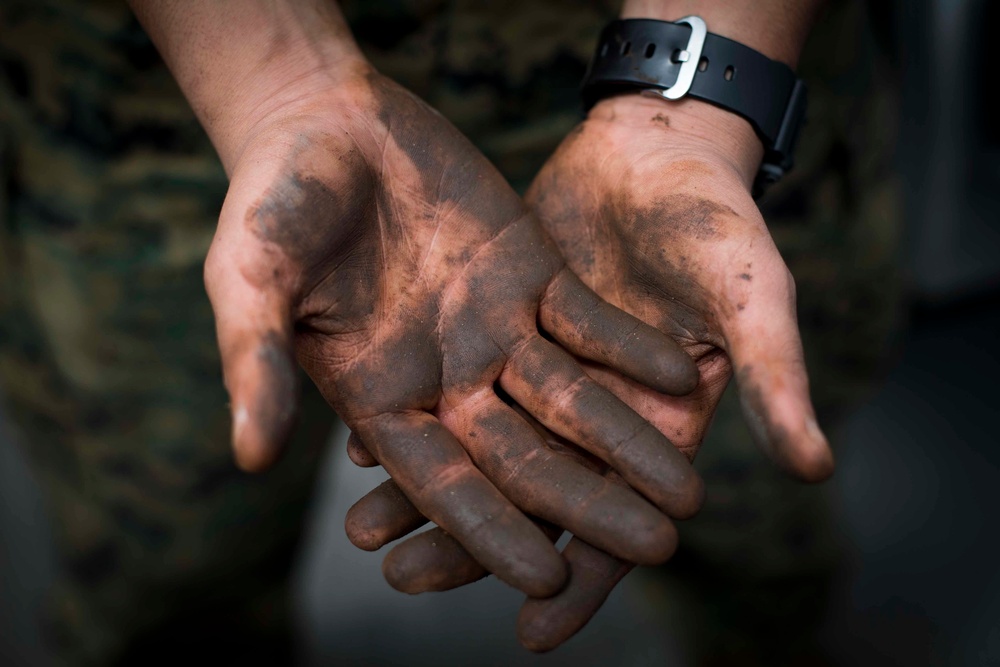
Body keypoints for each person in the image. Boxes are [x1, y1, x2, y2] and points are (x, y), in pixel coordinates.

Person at [0, 0, 901, 664]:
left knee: (739, 513)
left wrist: (692, 103)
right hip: (163, 95)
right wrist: (274, 80)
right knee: (174, 565)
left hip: (701, 57)